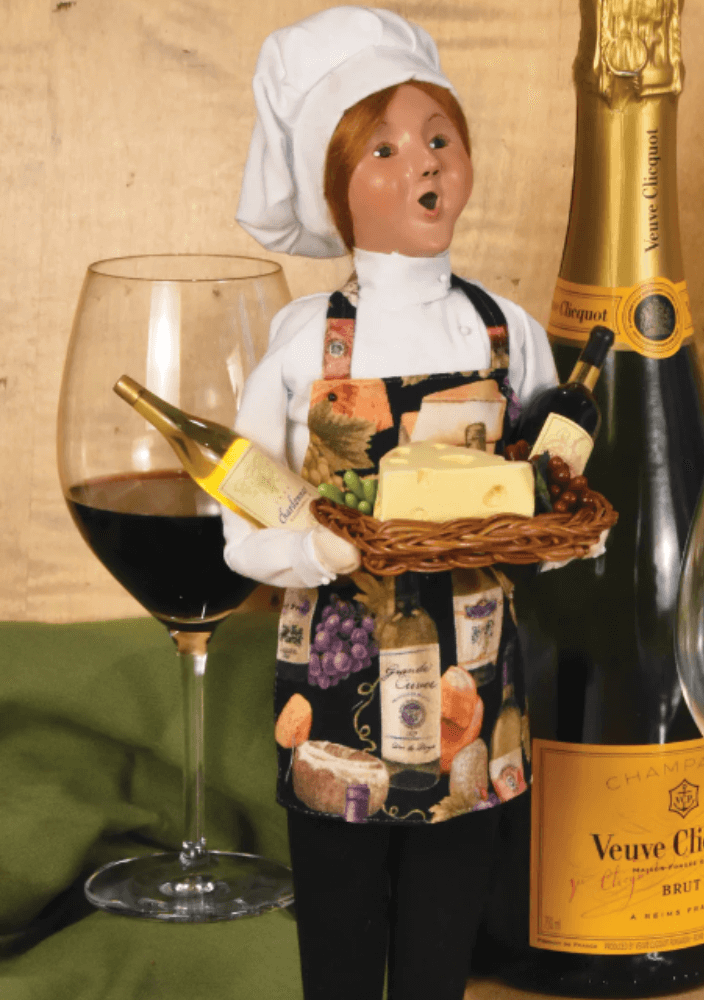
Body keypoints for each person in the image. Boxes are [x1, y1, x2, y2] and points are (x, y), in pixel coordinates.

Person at [224, 7, 558, 999]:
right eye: (386, 148)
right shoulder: (304, 343)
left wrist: (556, 536)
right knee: (339, 920)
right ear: (337, 188)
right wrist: (315, 552)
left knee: (443, 930)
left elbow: (555, 476)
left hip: (478, 680)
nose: (425, 163)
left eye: (439, 138)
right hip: (333, 679)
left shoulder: (509, 332)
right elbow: (243, 519)